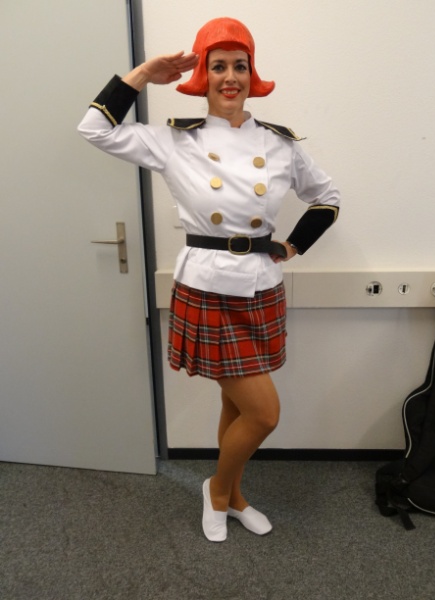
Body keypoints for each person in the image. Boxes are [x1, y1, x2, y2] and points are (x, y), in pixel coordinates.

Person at [78, 17, 340, 542]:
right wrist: (143, 74)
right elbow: (94, 129)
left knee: (237, 405)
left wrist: (291, 245)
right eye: (217, 66)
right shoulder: (177, 141)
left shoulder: (280, 144)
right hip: (208, 286)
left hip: (261, 285)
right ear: (203, 75)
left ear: (252, 73)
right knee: (264, 413)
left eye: (240, 65)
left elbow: (326, 198)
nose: (230, 77)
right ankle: (218, 491)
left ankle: (233, 495)